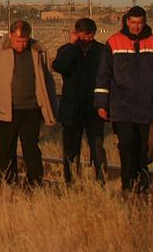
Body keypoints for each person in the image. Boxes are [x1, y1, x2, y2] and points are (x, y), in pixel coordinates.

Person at [94, 5, 153, 191]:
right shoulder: (114, 43)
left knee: (143, 149)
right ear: (127, 22)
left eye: (140, 23)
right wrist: (101, 104)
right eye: (133, 22)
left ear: (144, 22)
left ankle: (141, 184)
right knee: (126, 144)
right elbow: (104, 75)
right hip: (121, 107)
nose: (136, 27)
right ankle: (128, 184)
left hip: (147, 107)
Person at [0, 19, 58, 185]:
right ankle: (8, 183)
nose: (20, 45)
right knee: (6, 149)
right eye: (17, 41)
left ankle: (34, 183)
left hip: (31, 109)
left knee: (31, 148)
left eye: (24, 41)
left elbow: (48, 81)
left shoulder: (38, 50)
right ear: (10, 35)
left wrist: (52, 108)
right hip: (5, 109)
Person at [52, 17, 107, 183]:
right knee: (70, 148)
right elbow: (59, 66)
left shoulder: (102, 51)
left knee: (97, 147)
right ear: (76, 34)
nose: (87, 40)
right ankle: (70, 180)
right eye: (83, 36)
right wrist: (73, 46)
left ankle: (100, 179)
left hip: (94, 107)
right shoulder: (66, 50)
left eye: (90, 36)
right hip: (71, 107)